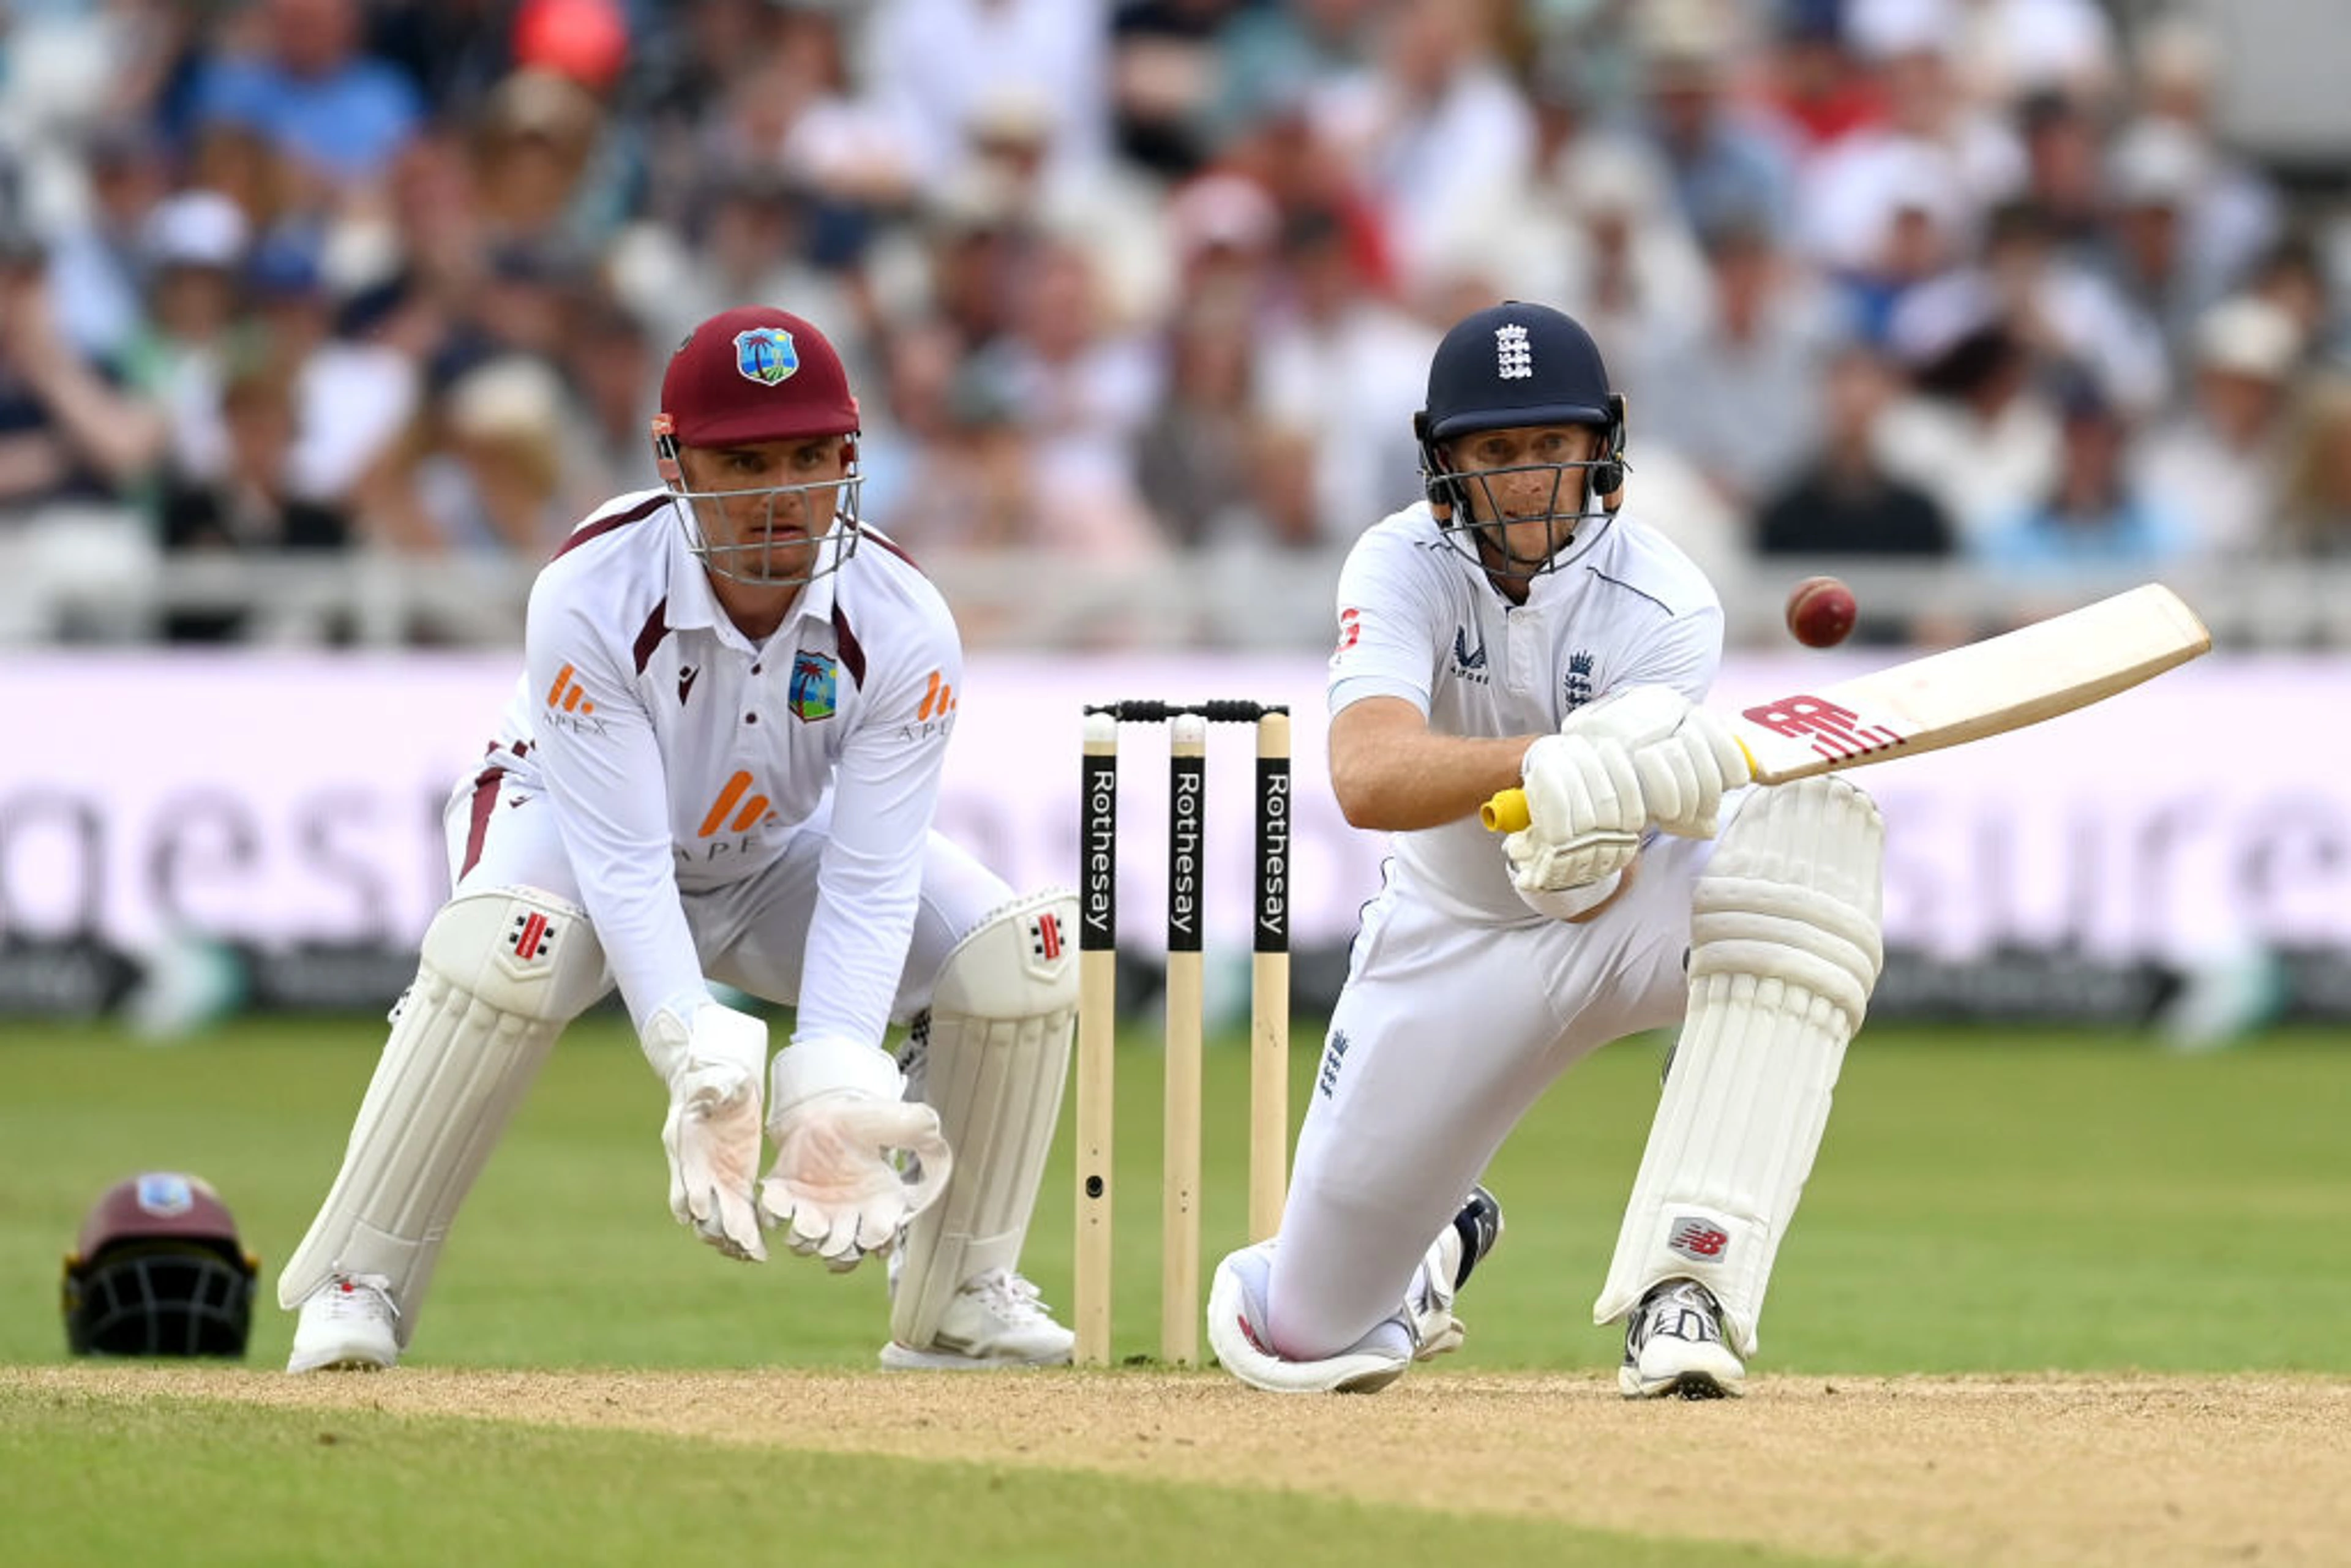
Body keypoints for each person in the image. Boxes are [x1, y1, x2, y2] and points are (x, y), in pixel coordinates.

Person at [280, 306, 1079, 1373]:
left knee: (1019, 956)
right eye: (744, 461)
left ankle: (957, 1295)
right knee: (510, 949)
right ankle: (357, 1281)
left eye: (809, 456)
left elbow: (874, 875)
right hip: (560, 823)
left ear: (849, 458)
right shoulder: (592, 588)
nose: (782, 493)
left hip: (768, 848)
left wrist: (837, 1080)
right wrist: (691, 1053)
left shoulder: (904, 618)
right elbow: (622, 860)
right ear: (675, 462)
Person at [1206, 301, 1886, 1398]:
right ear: (1445, 463)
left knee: (1799, 870)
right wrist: (1551, 761)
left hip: (1620, 921)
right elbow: (1367, 776)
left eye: (1550, 446)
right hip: (1445, 939)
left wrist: (1614, 796)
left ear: (1601, 446)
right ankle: (1436, 1240)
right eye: (1497, 454)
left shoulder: (1667, 601)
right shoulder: (1397, 562)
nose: (1527, 480)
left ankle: (1688, 1283)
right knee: (1307, 1335)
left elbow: (1595, 888)